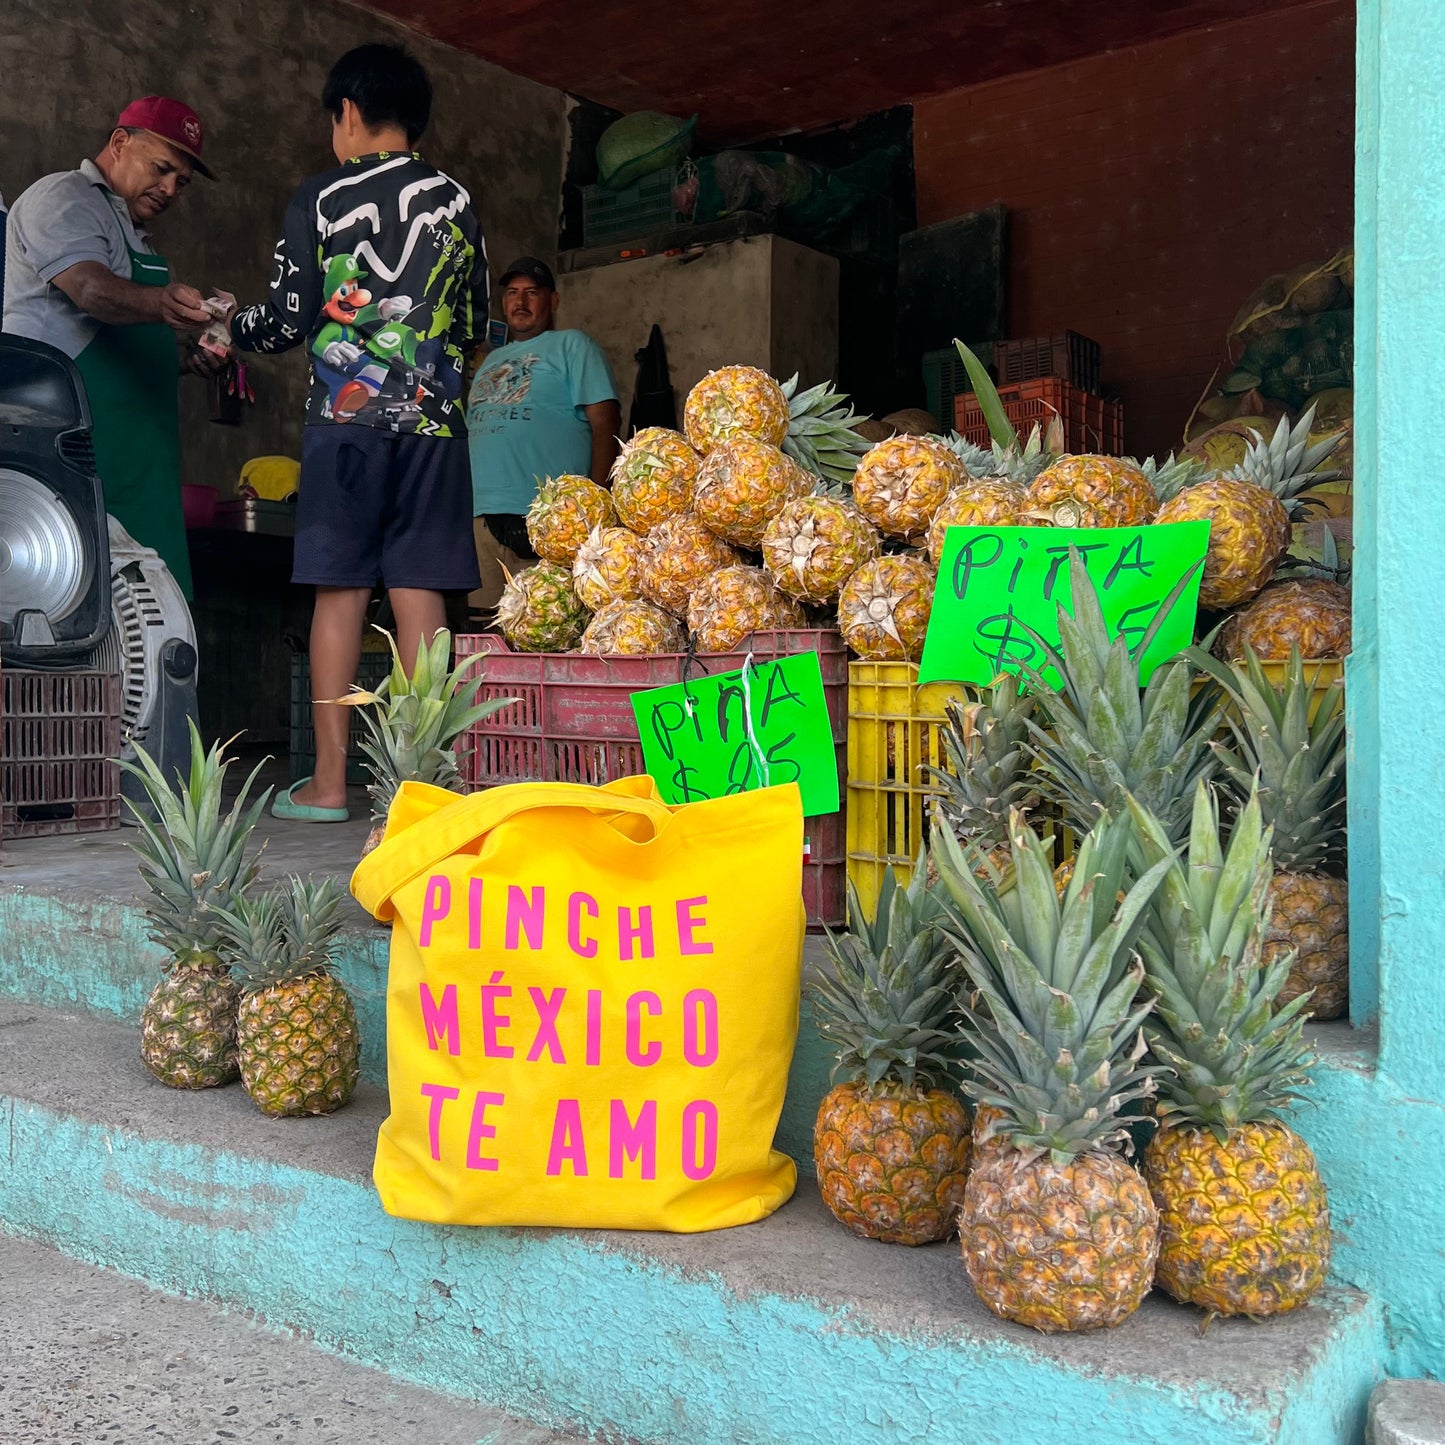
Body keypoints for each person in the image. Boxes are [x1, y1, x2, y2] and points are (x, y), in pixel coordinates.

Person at [225, 42, 486, 823]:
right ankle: (420, 786)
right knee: (419, 593)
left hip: (347, 424)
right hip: (437, 424)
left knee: (338, 592)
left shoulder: (323, 196)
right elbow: (472, 323)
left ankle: (331, 784)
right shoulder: (459, 199)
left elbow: (285, 320)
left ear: (346, 114)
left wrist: (227, 321)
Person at [3, 98, 221, 597]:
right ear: (120, 143)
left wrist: (182, 358)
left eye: (180, 183)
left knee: (146, 617)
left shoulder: (132, 231)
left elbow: (125, 333)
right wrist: (162, 302)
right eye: (161, 169)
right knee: (79, 602)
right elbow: (91, 291)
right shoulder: (64, 198)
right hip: (76, 451)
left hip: (141, 466)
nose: (169, 189)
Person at [466, 258, 621, 614]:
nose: (520, 302)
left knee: (546, 628)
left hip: (552, 519)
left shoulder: (572, 346)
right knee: (483, 631)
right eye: (512, 293)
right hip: (481, 518)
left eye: (532, 293)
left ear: (552, 301)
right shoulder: (490, 362)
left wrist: (597, 504)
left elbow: (605, 422)